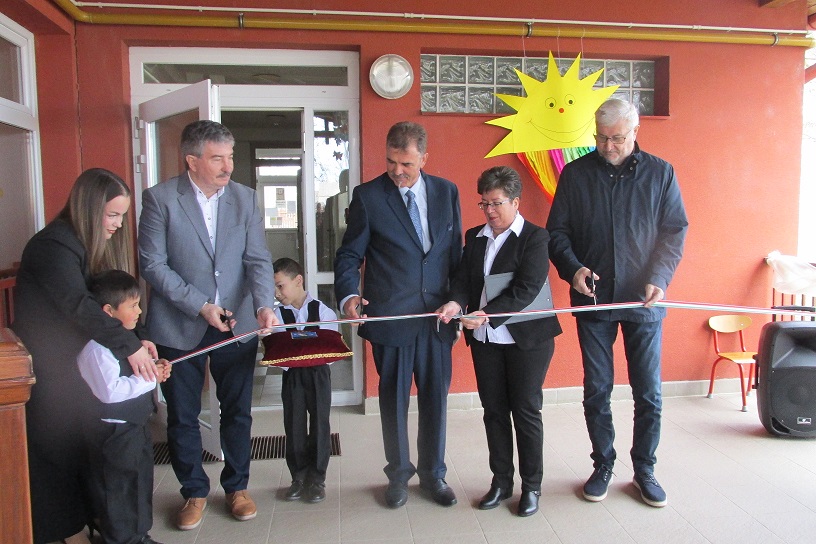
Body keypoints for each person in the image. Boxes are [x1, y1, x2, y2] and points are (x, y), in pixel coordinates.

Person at [546, 98, 688, 508]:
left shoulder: (661, 173)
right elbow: (557, 233)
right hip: (593, 300)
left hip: (644, 301)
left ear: (635, 132)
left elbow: (674, 231)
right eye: (602, 138)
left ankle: (645, 469)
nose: (608, 146)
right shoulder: (575, 175)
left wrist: (659, 278)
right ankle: (603, 464)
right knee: (597, 389)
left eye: (618, 138)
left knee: (649, 392)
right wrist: (572, 269)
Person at [138, 120, 279, 530]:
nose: (228, 166)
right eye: (217, 158)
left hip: (237, 322)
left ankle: (237, 487)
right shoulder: (160, 199)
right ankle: (194, 492)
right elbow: (152, 265)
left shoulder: (245, 198)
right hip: (177, 324)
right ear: (192, 160)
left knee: (237, 412)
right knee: (182, 415)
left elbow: (257, 259)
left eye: (229, 157)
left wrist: (264, 305)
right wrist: (199, 305)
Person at [11, 168, 158, 544]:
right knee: (54, 453)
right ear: (89, 209)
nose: (118, 224)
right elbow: (80, 306)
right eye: (112, 215)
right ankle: (68, 532)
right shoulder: (53, 245)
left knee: (85, 452)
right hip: (49, 367)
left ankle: (99, 526)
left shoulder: (81, 244)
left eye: (121, 216)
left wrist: (139, 338)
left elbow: (111, 303)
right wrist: (131, 347)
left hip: (74, 365)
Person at [334, 121, 462, 509]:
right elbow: (349, 254)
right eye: (391, 161)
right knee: (392, 403)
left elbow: (455, 255)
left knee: (436, 400)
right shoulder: (369, 196)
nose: (397, 171)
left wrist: (458, 302)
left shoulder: (446, 191)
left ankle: (434, 474)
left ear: (424, 158)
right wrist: (349, 295)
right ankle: (399, 475)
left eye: (406, 163)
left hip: (437, 320)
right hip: (390, 317)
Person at [438, 165, 562, 517]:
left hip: (528, 340)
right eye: (484, 204)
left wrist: (487, 313)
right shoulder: (475, 237)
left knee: (525, 411)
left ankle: (532, 486)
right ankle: (501, 481)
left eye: (496, 203)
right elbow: (464, 279)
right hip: (486, 339)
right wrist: (456, 302)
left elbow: (527, 288)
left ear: (515, 202)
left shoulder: (535, 238)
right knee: (494, 412)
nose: (489, 211)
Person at [79, 270, 172, 544]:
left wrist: (154, 368)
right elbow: (110, 392)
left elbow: (137, 373)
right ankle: (122, 539)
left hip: (136, 426)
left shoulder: (128, 339)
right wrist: (151, 379)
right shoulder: (96, 348)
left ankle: (139, 535)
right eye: (133, 306)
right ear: (108, 311)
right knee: (117, 491)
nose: (139, 311)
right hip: (114, 434)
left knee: (139, 482)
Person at [272, 257, 338, 504]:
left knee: (320, 422)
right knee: (294, 423)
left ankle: (317, 478)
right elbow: (277, 350)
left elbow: (331, 346)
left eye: (281, 286)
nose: (277, 293)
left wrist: (305, 348)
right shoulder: (277, 316)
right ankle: (298, 477)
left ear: (298, 280)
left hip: (318, 374)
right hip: (293, 375)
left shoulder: (323, 311)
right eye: (275, 287)